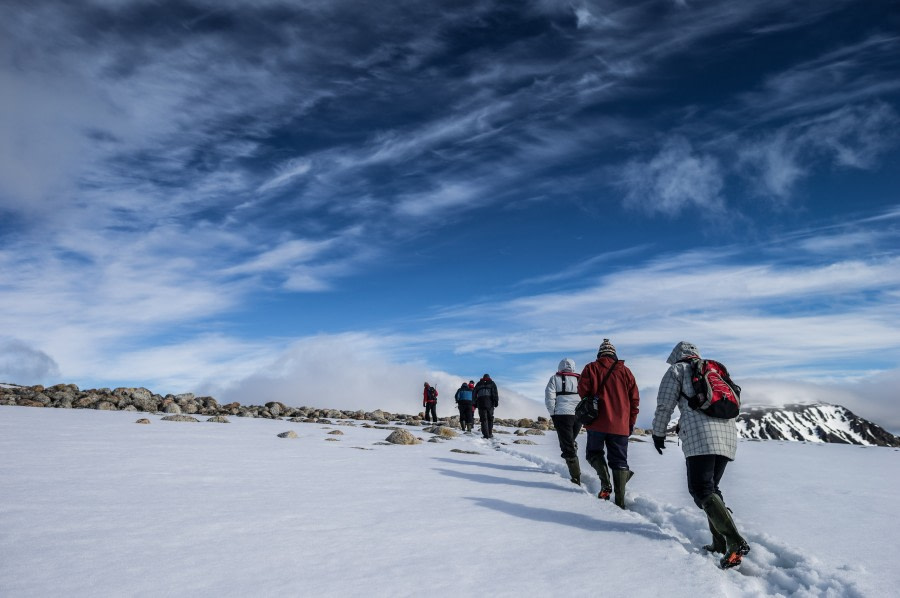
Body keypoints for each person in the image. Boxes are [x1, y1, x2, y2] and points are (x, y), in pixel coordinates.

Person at [650, 341, 750, 569]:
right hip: (727, 435)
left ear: (677, 355)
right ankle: (720, 543)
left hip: (700, 436)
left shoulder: (677, 369)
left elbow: (664, 405)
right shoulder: (714, 370)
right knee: (711, 489)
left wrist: (658, 433)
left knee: (701, 489)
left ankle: (734, 541)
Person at [577, 339, 640, 508]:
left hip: (596, 423)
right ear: (614, 354)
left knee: (593, 454)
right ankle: (620, 502)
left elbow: (582, 391)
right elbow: (635, 400)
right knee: (619, 461)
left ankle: (606, 485)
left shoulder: (590, 368)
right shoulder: (626, 372)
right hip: (620, 425)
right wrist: (630, 422)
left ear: (600, 353)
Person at [545, 358, 583, 485]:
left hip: (562, 415)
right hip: (578, 415)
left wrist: (552, 414)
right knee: (569, 441)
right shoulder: (580, 379)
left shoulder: (554, 379)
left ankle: (576, 478)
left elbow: (549, 398)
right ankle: (574, 469)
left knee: (567, 445)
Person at [473, 374, 499, 439]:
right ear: (489, 377)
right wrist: (496, 402)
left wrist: (474, 404)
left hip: (481, 404)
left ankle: (486, 435)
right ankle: (490, 433)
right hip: (490, 404)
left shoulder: (479, 384)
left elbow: (474, 394)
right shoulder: (492, 383)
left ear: (483, 378)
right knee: (490, 419)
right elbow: (495, 393)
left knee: (483, 420)